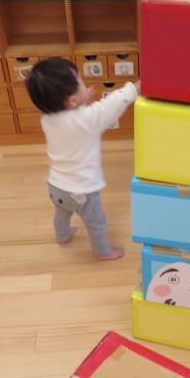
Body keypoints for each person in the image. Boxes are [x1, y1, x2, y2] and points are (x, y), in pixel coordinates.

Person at [26, 57, 140, 260]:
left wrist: (82, 101)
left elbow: (72, 121)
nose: (84, 83)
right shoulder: (86, 119)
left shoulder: (47, 118)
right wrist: (135, 88)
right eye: (80, 81)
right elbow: (112, 104)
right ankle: (104, 252)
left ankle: (61, 236)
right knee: (96, 223)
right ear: (72, 101)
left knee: (62, 213)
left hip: (56, 187)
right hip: (82, 193)